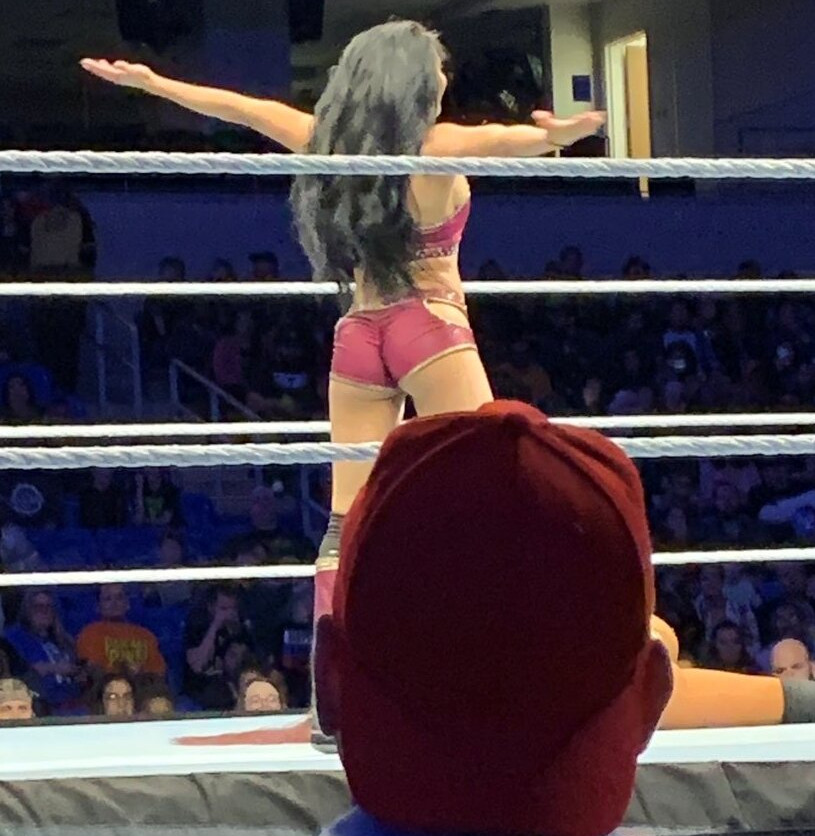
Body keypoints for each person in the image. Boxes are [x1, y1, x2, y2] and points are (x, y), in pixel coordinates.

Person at [79, 24, 605, 734]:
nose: (445, 78)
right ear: (412, 79)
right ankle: (506, 668)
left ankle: (332, 700)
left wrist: (154, 85)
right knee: (493, 483)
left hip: (358, 335)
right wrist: (557, 134)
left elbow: (241, 109)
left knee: (343, 520)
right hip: (429, 324)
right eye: (438, 68)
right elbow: (509, 142)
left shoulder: (328, 145)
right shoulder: (435, 145)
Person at [76, 584, 166, 677]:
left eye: (119, 597)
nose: (114, 603)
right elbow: (93, 670)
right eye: (108, 599)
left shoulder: (146, 635)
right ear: (98, 606)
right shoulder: (89, 634)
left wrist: (141, 672)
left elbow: (158, 670)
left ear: (127, 603)